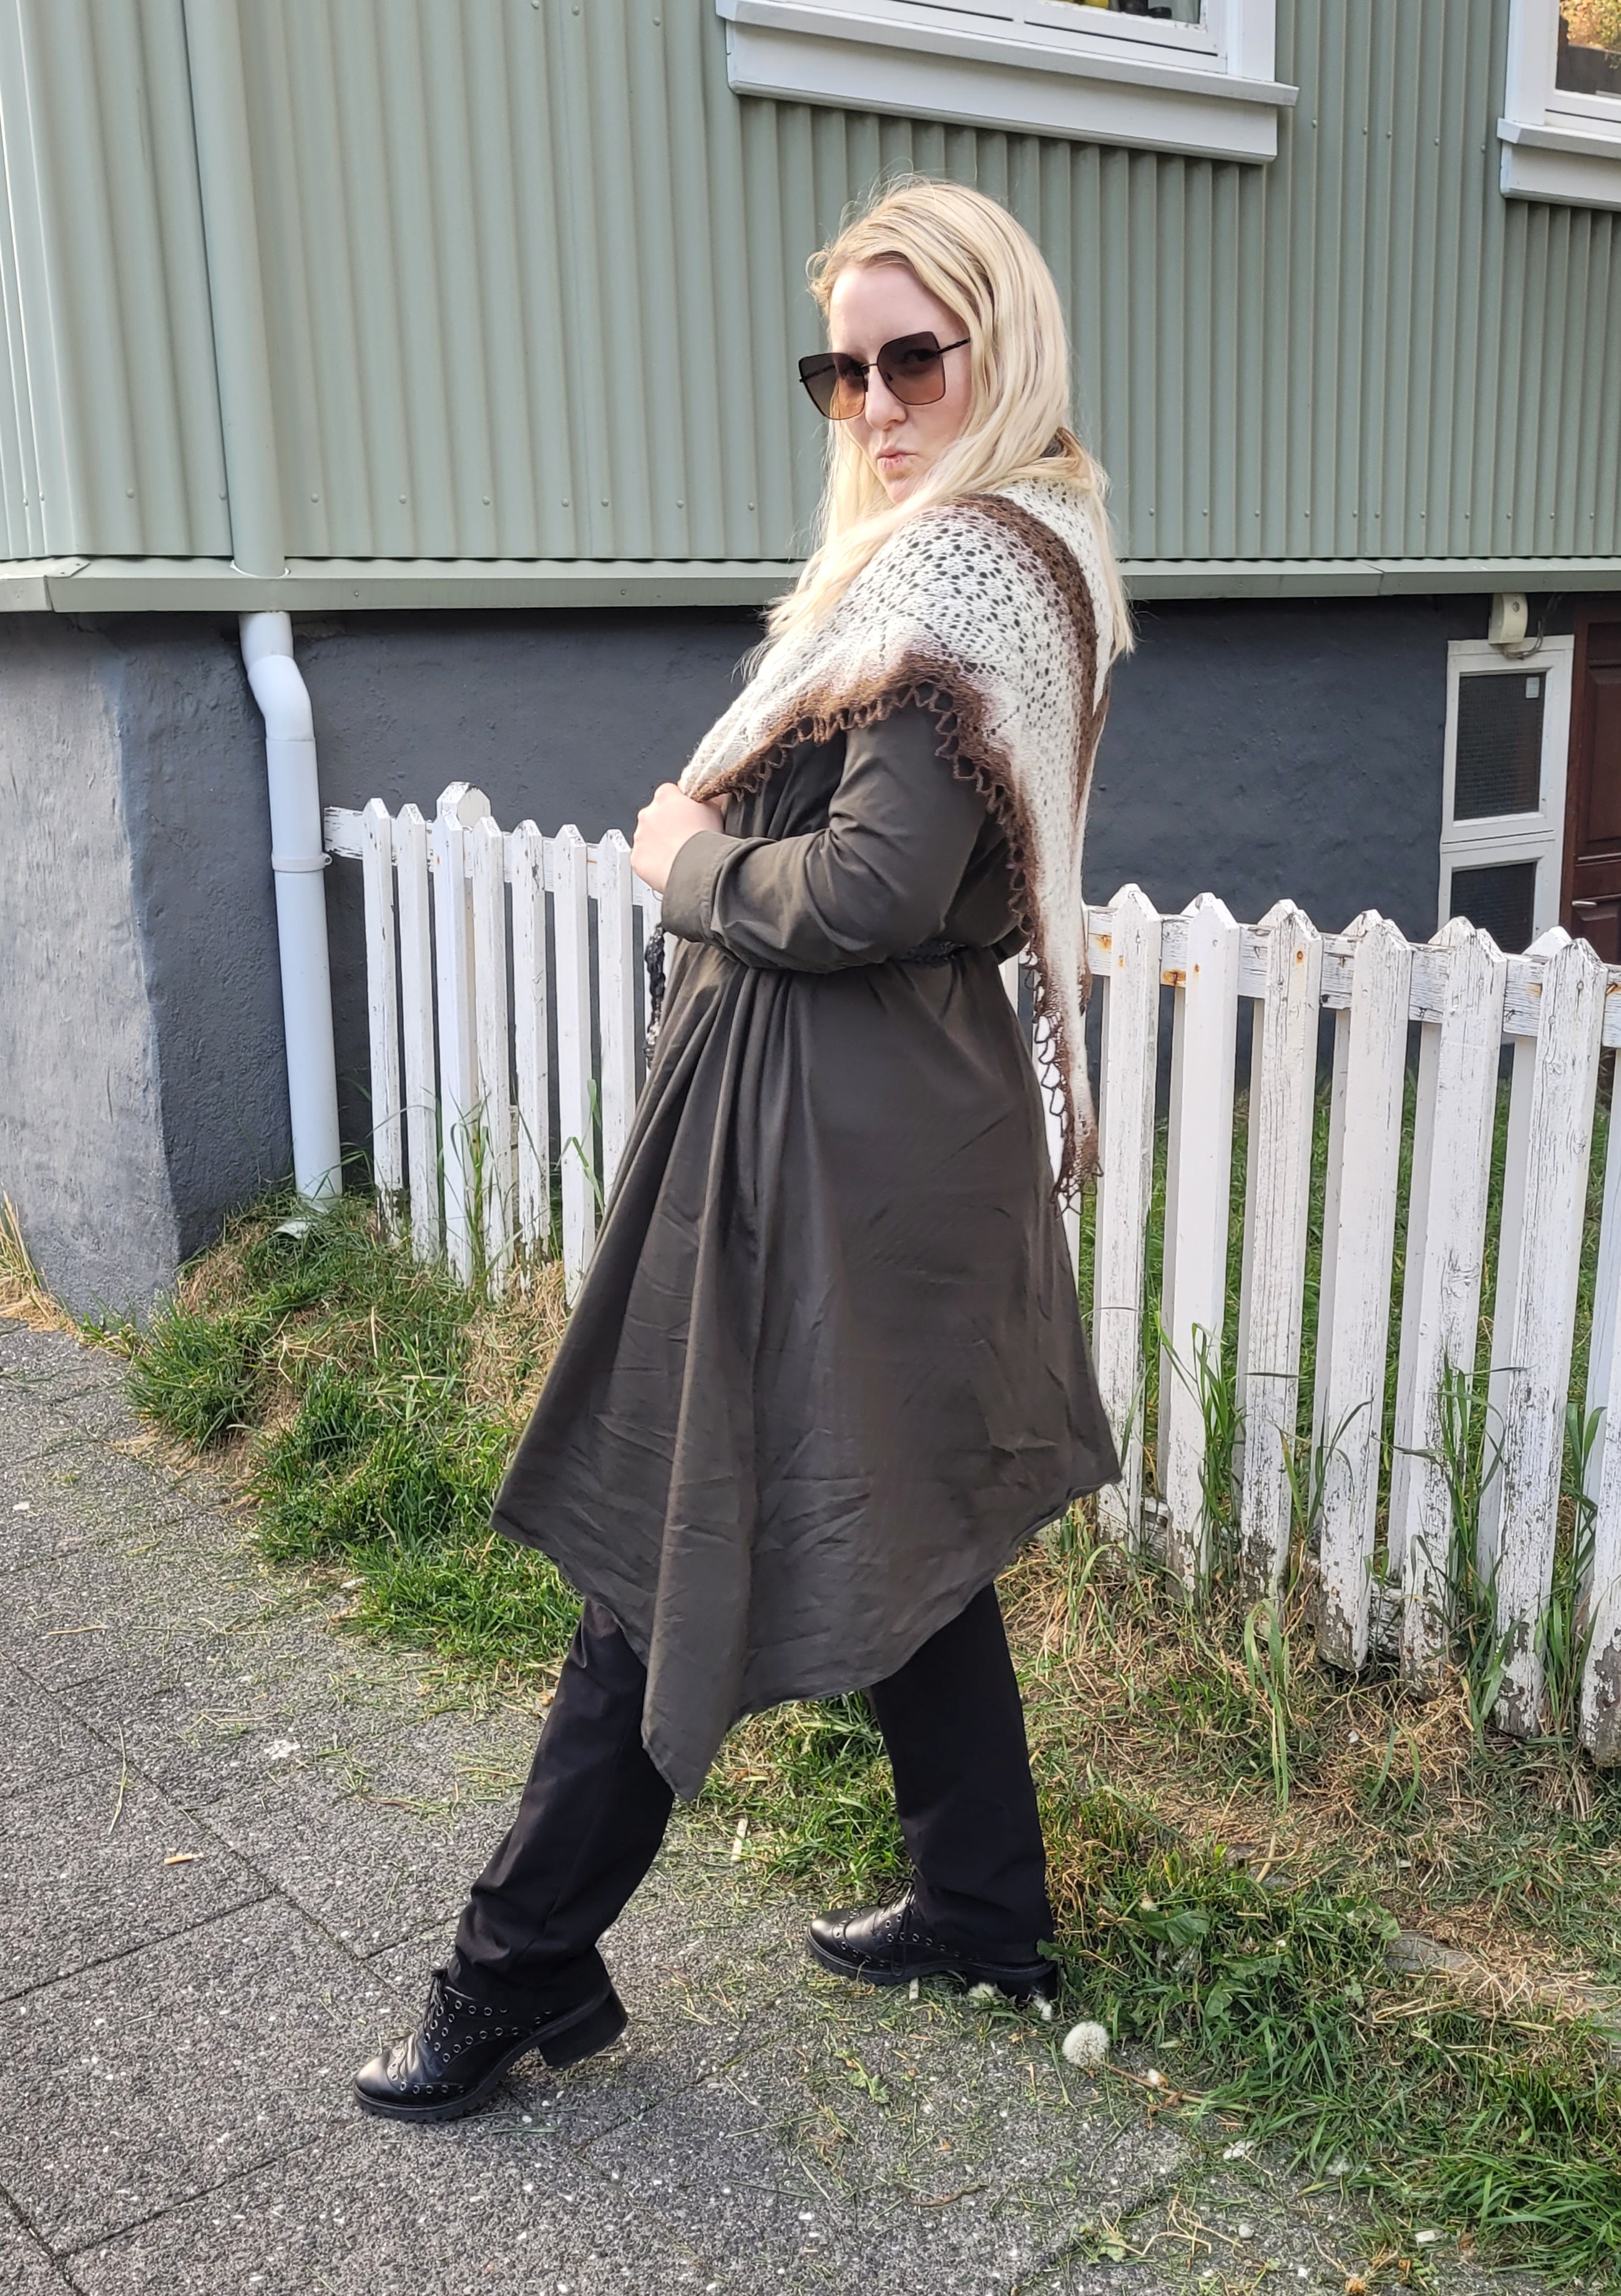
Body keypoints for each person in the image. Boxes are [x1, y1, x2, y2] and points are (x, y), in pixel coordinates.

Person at [355, 175, 1132, 2123]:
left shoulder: (964, 570)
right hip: (887, 1126)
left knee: (668, 1531)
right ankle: (983, 1904)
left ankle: (512, 1971)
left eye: (911, 357)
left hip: (834, 1144)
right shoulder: (1021, 547)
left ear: (997, 345)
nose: (872, 402)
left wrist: (686, 863)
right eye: (842, 368)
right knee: (911, 1533)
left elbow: (876, 885)